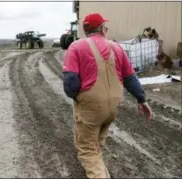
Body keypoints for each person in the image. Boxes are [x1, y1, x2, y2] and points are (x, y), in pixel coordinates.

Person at [62, 13, 152, 178]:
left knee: (87, 151)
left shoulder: (76, 47)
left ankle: (97, 173)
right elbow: (130, 78)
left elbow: (70, 83)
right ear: (103, 29)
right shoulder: (117, 47)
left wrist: (79, 98)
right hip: (112, 108)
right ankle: (100, 169)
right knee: (96, 143)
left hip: (91, 108)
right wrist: (142, 99)